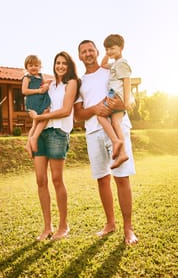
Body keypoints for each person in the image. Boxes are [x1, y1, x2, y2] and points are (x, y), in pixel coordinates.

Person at [74, 39, 138, 245]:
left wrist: (122, 103)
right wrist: (95, 109)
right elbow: (78, 114)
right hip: (93, 133)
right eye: (84, 51)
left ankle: (128, 229)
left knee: (122, 178)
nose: (88, 54)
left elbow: (127, 94)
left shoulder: (108, 70)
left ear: (97, 51)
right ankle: (110, 223)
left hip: (118, 128)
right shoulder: (79, 82)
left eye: (91, 50)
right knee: (102, 179)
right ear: (79, 56)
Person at [28, 51, 81, 241]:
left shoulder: (72, 83)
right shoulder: (50, 85)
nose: (60, 66)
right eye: (57, 63)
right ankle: (47, 226)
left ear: (69, 65)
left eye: (64, 63)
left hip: (58, 132)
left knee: (57, 180)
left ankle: (63, 225)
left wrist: (41, 117)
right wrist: (31, 136)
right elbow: (38, 106)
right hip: (41, 133)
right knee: (40, 180)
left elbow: (66, 111)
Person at [98, 34, 134, 169]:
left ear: (121, 47)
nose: (109, 52)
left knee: (100, 115)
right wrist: (107, 54)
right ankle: (122, 153)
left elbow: (127, 81)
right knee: (115, 123)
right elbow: (102, 64)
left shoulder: (122, 63)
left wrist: (126, 101)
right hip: (116, 96)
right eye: (107, 49)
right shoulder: (115, 64)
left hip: (116, 96)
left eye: (112, 48)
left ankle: (115, 141)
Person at [22, 55, 52, 157]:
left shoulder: (41, 75)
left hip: (42, 100)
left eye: (36, 65)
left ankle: (28, 144)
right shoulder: (27, 77)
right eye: (31, 65)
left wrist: (46, 85)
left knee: (35, 124)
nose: (34, 67)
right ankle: (34, 137)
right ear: (26, 67)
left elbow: (45, 84)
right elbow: (24, 91)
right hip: (34, 101)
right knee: (45, 115)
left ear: (40, 66)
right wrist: (39, 90)